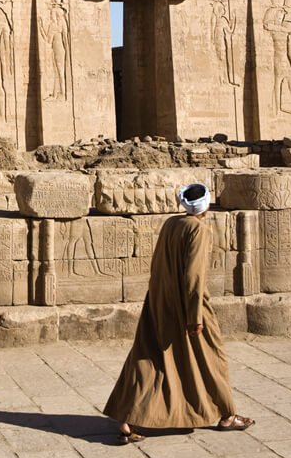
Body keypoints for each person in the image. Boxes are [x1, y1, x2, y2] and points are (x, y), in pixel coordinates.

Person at [103, 183, 254, 442]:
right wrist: (195, 316)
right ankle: (228, 415)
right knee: (212, 359)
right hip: (187, 305)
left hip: (161, 300)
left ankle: (127, 419)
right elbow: (194, 275)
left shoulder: (172, 224)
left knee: (150, 358)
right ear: (205, 206)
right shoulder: (198, 229)